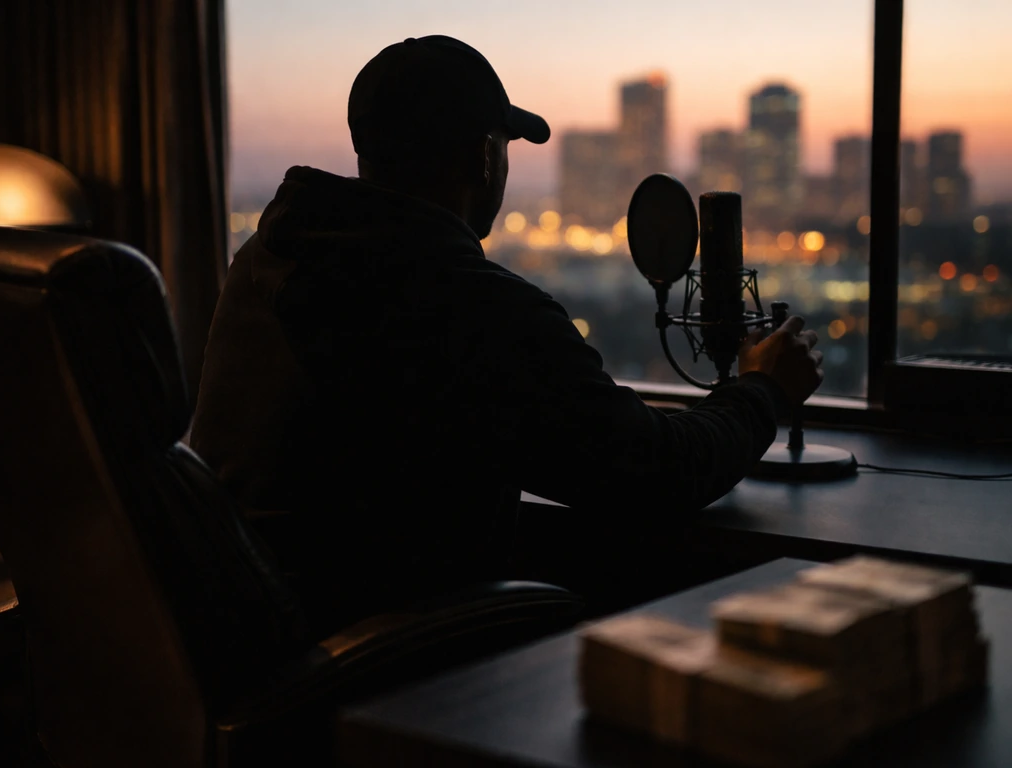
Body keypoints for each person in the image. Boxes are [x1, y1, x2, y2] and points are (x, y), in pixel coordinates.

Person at [190, 35, 823, 635]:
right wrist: (763, 388)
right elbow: (656, 472)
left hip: (268, 645)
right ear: (484, 157)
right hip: (401, 677)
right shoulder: (465, 303)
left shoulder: (267, 259)